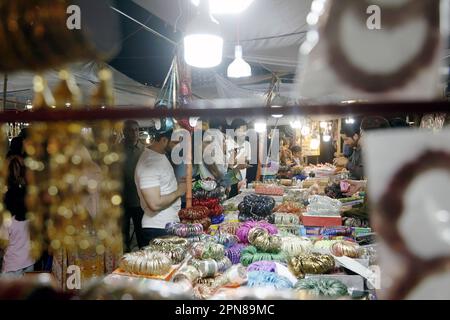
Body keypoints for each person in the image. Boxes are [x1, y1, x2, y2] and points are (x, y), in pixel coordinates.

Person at [135, 127, 186, 245]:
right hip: (157, 228)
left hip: (166, 226)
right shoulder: (149, 162)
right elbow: (154, 204)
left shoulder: (159, 156)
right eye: (175, 143)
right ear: (164, 140)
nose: (178, 146)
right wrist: (179, 191)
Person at [1, 137, 35, 276]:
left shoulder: (8, 221)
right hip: (29, 263)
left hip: (11, 266)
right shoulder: (31, 215)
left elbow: (3, 243)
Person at [121, 120, 145, 252]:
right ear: (124, 132)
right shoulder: (117, 149)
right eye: (130, 130)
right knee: (123, 234)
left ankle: (143, 261)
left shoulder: (144, 150)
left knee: (141, 233)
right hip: (122, 198)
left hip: (139, 199)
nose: (134, 133)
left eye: (136, 130)